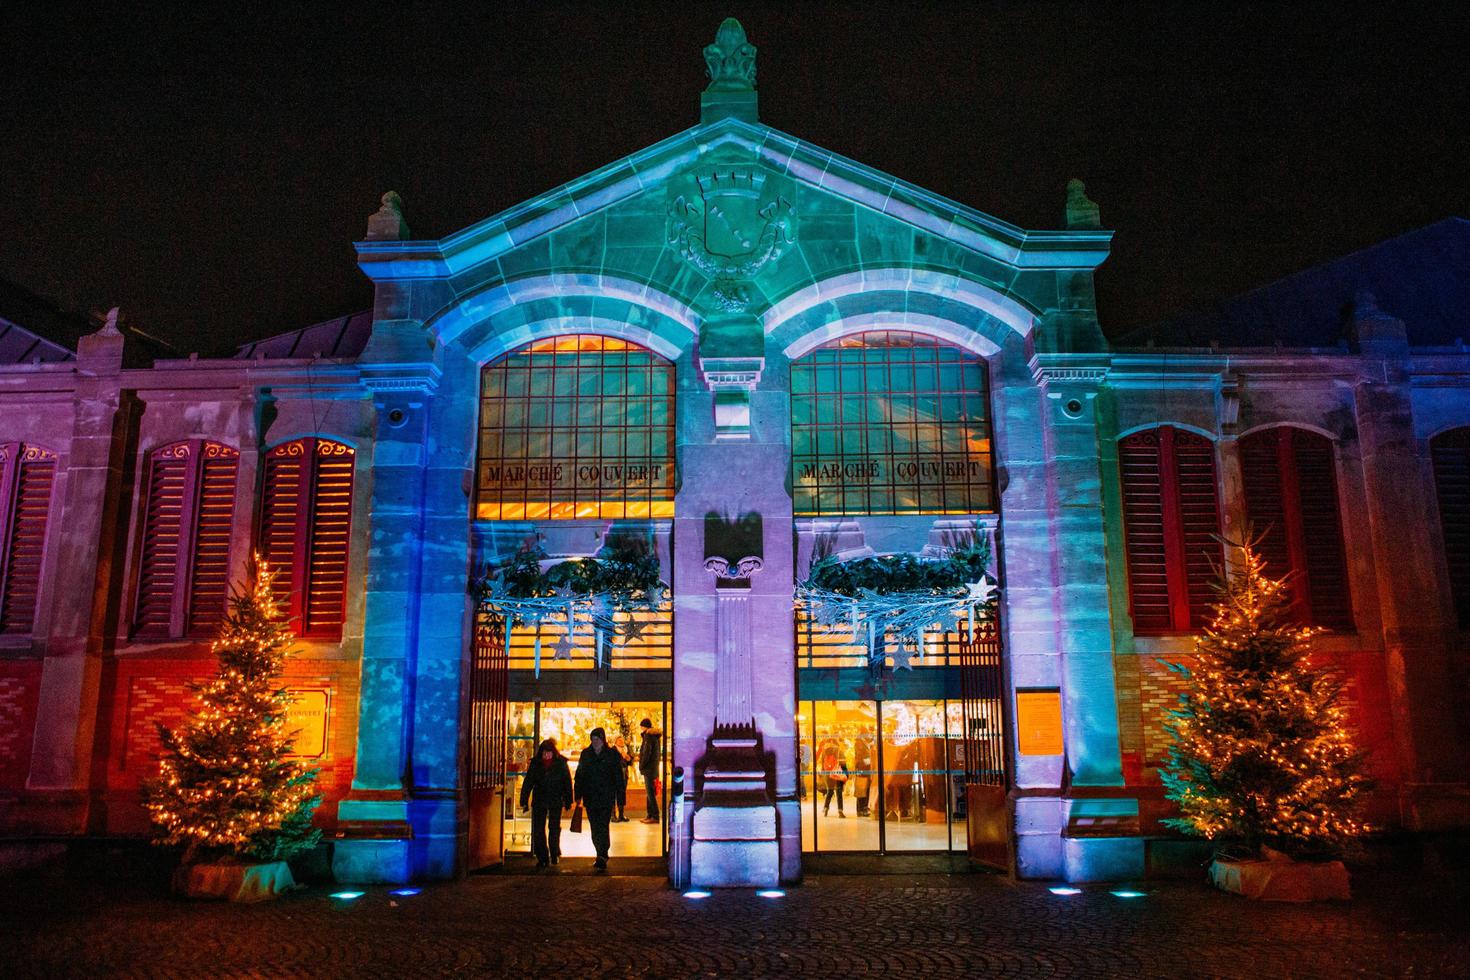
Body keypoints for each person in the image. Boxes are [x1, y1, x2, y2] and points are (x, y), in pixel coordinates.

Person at [574, 726, 625, 871]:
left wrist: (620, 798)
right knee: (594, 827)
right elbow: (580, 776)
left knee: (603, 825)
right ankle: (599, 852)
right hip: (590, 797)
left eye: (597, 739)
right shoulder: (586, 754)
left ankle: (603, 854)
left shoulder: (611, 755)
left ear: (602, 740)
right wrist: (578, 795)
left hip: (606, 797)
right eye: (593, 739)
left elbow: (618, 778)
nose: (595, 741)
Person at [518, 738, 573, 869]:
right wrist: (524, 800)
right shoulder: (536, 764)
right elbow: (529, 782)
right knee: (538, 829)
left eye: (549, 753)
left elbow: (567, 782)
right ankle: (542, 856)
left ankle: (554, 853)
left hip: (555, 800)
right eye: (544, 753)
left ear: (553, 752)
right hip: (540, 800)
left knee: (554, 828)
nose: (546, 755)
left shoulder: (561, 763)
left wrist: (568, 800)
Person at [637, 717, 663, 824]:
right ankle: (650, 815)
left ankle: (655, 815)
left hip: (649, 769)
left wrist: (641, 766)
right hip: (653, 768)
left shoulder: (648, 737)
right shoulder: (654, 737)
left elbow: (646, 753)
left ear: (644, 727)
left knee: (650, 793)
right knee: (649, 793)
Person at [821, 746, 849, 818]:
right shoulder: (839, 751)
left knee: (830, 792)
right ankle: (840, 812)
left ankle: (826, 809)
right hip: (837, 774)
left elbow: (822, 765)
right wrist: (846, 774)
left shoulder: (825, 752)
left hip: (828, 774)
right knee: (839, 793)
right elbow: (843, 764)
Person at [613, 735, 633, 822]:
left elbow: (631, 761)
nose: (621, 742)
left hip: (624, 774)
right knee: (613, 794)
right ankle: (613, 815)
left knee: (622, 794)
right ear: (615, 742)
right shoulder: (612, 750)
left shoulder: (626, 749)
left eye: (622, 740)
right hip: (614, 775)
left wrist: (628, 759)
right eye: (619, 740)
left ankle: (621, 814)